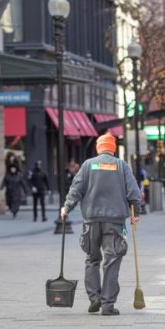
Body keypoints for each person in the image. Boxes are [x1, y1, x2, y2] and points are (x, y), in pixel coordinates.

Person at [61, 133, 140, 316]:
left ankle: (94, 298)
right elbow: (133, 192)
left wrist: (66, 208)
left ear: (99, 147)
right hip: (114, 221)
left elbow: (76, 190)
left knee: (92, 259)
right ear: (112, 148)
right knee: (111, 261)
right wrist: (136, 213)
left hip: (91, 220)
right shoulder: (121, 166)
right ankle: (107, 305)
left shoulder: (88, 165)